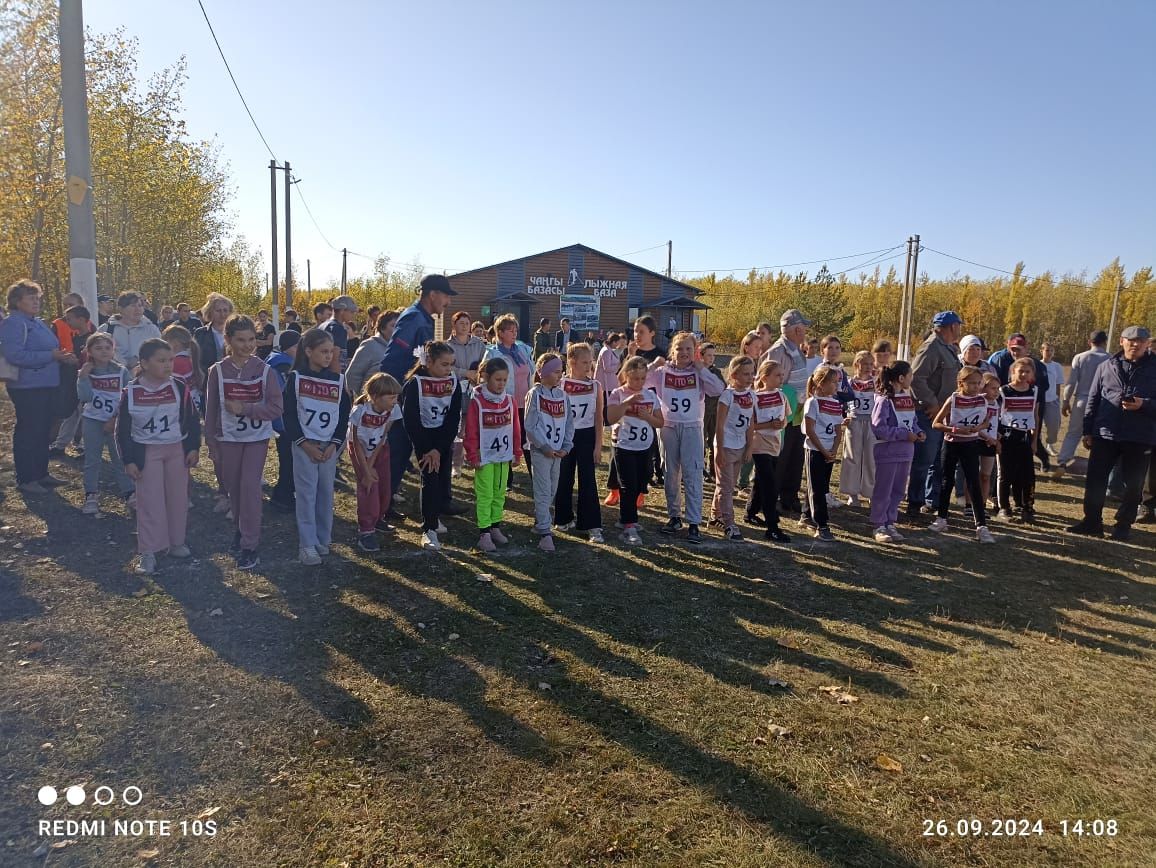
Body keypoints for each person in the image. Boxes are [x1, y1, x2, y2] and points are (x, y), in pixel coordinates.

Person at [204, 315, 284, 570]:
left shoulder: (265, 371)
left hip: (256, 438)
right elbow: (211, 409)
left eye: (251, 339)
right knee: (234, 488)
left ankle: (251, 544)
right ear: (228, 340)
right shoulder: (217, 371)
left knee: (250, 487)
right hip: (227, 439)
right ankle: (240, 530)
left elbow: (275, 408)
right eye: (241, 340)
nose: (248, 345)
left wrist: (246, 409)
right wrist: (211, 442)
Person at [115, 338, 201, 574]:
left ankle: (176, 542)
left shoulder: (179, 386)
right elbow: (122, 430)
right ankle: (149, 551)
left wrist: (193, 446)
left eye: (171, 360)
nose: (168, 365)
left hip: (176, 450)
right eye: (161, 361)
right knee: (150, 501)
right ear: (144, 363)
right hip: (146, 452)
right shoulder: (131, 391)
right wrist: (129, 460)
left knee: (178, 498)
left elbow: (192, 419)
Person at [379, 274, 460, 516]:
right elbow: (394, 359)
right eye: (446, 295)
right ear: (433, 294)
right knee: (400, 451)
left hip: (423, 396)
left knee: (436, 446)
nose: (447, 302)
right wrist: (399, 394)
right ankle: (383, 507)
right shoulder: (414, 318)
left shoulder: (423, 318)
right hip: (409, 396)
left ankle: (440, 501)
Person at [1067, 325, 1156, 541]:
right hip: (1105, 433)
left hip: (1139, 436)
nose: (1135, 344)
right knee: (1096, 480)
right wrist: (1088, 430)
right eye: (1131, 340)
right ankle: (1092, 522)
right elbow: (1094, 399)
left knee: (1133, 484)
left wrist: (1143, 404)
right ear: (1121, 341)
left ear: (1147, 344)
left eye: (1140, 341)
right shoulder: (1107, 365)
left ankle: (1123, 525)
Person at [282, 328, 352, 565]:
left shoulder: (338, 381)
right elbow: (289, 414)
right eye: (323, 351)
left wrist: (334, 443)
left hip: (329, 447)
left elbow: (344, 416)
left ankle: (323, 538)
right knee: (306, 495)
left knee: (325, 494)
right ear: (308, 351)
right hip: (305, 446)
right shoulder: (296, 378)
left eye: (331, 352)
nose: (328, 356)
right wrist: (305, 444)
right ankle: (307, 544)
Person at [0, 279, 74, 494]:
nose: (36, 301)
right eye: (31, 298)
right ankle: (26, 478)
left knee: (42, 430)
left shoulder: (37, 322)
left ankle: (41, 473)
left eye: (37, 297)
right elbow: (15, 355)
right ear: (16, 301)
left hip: (46, 384)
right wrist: (50, 355)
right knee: (28, 431)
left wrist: (60, 358)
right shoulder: (14, 323)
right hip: (26, 386)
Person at [650, 331, 723, 545]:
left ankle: (693, 522)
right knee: (670, 473)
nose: (683, 353)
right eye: (679, 348)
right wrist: (654, 365)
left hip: (692, 428)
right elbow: (639, 381)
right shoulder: (663, 372)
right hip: (668, 427)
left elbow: (718, 389)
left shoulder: (699, 372)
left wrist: (702, 369)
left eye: (688, 349)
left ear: (695, 352)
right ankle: (674, 517)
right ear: (673, 350)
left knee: (692, 473)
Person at [402, 341, 462, 551]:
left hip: (442, 437)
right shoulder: (415, 383)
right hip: (424, 438)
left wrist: (440, 447)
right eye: (444, 365)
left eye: (451, 364)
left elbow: (454, 416)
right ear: (428, 363)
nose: (448, 369)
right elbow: (410, 419)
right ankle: (429, 529)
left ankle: (436, 516)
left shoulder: (453, 381)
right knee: (430, 478)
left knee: (443, 476)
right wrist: (428, 449)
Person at [929, 366, 996, 543]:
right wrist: (953, 429)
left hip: (971, 444)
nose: (976, 387)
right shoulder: (953, 399)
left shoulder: (982, 401)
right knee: (946, 481)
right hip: (951, 444)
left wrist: (979, 429)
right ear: (961, 383)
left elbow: (985, 422)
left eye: (978, 383)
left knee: (974, 482)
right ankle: (942, 518)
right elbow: (936, 424)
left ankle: (981, 526)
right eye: (972, 383)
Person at [907, 311, 964, 516]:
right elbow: (916, 378)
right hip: (928, 413)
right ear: (950, 327)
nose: (959, 329)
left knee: (937, 461)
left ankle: (932, 501)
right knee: (924, 460)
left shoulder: (947, 348)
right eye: (958, 325)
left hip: (943, 412)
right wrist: (931, 403)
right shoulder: (931, 347)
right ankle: (914, 502)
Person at [464, 357, 523, 552]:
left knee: (499, 492)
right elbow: (471, 431)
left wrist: (517, 452)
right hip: (485, 457)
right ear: (487, 378)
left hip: (503, 456)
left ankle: (495, 525)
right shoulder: (477, 402)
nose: (501, 384)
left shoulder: (509, 401)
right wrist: (473, 455)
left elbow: (515, 428)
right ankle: (484, 532)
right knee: (485, 493)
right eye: (498, 379)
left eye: (504, 380)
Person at [607, 355, 664, 545]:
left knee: (641, 482)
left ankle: (627, 518)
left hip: (644, 446)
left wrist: (647, 417)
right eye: (634, 378)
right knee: (627, 485)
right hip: (624, 446)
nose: (638, 382)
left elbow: (660, 421)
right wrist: (626, 403)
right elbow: (610, 417)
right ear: (626, 375)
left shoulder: (650, 395)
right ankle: (629, 524)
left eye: (642, 378)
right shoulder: (618, 393)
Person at [77, 332, 134, 515]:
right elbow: (84, 397)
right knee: (92, 459)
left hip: (115, 421)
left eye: (107, 348)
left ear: (113, 349)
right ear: (90, 351)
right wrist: (83, 378)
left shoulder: (121, 371)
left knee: (119, 458)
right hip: (92, 419)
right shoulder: (86, 372)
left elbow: (128, 398)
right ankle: (91, 494)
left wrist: (115, 419)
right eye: (98, 348)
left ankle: (129, 492)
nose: (104, 351)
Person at [555, 343, 604, 543]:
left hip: (586, 435)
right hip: (566, 436)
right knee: (564, 477)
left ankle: (591, 525)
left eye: (590, 362)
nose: (588, 366)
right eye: (584, 362)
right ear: (572, 362)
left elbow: (599, 418)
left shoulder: (595, 386)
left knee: (588, 481)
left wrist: (598, 446)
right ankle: (563, 517)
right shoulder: (561, 384)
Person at [524, 352, 574, 552]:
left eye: (561, 371)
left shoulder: (563, 395)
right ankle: (545, 530)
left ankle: (540, 521)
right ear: (542, 372)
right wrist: (544, 446)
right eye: (555, 371)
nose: (559, 375)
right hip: (541, 451)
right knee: (543, 489)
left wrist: (566, 446)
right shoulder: (535, 394)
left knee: (553, 488)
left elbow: (569, 422)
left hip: (558, 452)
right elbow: (530, 424)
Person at [869, 361, 924, 542]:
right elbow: (878, 428)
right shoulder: (884, 400)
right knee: (883, 490)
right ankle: (878, 524)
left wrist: (918, 432)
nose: (912, 379)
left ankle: (890, 521)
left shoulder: (906, 397)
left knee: (899, 490)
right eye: (910, 375)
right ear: (901, 378)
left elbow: (912, 421)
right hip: (888, 452)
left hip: (906, 452)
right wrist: (903, 435)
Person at [348, 372, 402, 552]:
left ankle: (379, 518)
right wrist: (366, 469)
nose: (395, 400)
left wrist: (372, 464)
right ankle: (366, 530)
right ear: (376, 397)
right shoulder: (360, 410)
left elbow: (383, 436)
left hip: (379, 450)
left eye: (396, 397)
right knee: (368, 485)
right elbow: (355, 441)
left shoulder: (393, 410)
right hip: (360, 450)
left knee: (385, 486)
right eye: (391, 397)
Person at [765, 308, 812, 514]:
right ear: (795, 329)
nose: (804, 332)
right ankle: (772, 497)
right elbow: (768, 383)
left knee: (795, 457)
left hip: (798, 413)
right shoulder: (777, 351)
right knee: (780, 457)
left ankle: (789, 496)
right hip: (782, 412)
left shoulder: (796, 349)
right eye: (802, 327)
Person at [482, 315, 534, 483]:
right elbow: (483, 377)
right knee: (507, 438)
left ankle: (536, 475)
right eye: (510, 330)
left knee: (528, 439)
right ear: (500, 333)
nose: (514, 333)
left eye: (515, 330)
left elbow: (532, 373)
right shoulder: (492, 353)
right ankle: (507, 479)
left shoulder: (522, 350)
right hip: (504, 404)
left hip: (525, 403)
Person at [988, 333, 1052, 471]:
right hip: (1007, 406)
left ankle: (1041, 458)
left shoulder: (1038, 366)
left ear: (1026, 347)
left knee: (1031, 435)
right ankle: (1002, 470)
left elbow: (1044, 387)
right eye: (1013, 349)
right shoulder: (1000, 359)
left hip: (1032, 405)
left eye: (1019, 349)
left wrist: (1028, 393)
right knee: (1004, 435)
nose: (1015, 352)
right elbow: (994, 382)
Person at [711, 355, 755, 541]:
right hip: (726, 445)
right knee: (726, 486)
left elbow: (751, 422)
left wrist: (749, 446)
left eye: (752, 373)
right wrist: (720, 450)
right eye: (745, 374)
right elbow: (720, 425)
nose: (750, 377)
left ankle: (715, 515)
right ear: (734, 375)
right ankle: (729, 523)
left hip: (740, 445)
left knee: (727, 484)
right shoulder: (727, 396)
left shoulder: (751, 394)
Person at [800, 365, 846, 541]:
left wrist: (834, 450)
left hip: (829, 451)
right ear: (821, 383)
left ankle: (805, 515)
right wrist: (823, 451)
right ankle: (822, 524)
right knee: (817, 488)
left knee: (820, 486)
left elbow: (838, 429)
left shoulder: (834, 403)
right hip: (815, 450)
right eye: (833, 382)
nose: (836, 386)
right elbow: (810, 430)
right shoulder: (812, 402)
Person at [748, 358, 791, 542]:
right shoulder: (755, 398)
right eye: (777, 375)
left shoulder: (782, 395)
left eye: (782, 375)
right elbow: (752, 425)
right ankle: (772, 526)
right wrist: (769, 424)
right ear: (765, 377)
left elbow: (786, 417)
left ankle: (750, 512)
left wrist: (782, 423)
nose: (781, 378)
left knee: (761, 481)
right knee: (770, 485)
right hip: (759, 445)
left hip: (775, 444)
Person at [995, 357, 1041, 522]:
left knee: (1027, 474)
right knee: (1006, 474)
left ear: (1032, 374)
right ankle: (1004, 507)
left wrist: (1035, 440)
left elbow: (1035, 416)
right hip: (1006, 438)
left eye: (1027, 372)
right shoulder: (1003, 391)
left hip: (1024, 438)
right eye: (1020, 371)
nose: (1023, 374)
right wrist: (997, 439)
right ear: (1012, 372)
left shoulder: (1034, 391)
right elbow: (997, 416)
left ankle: (1026, 506)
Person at [1057, 330, 1110, 471]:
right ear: (1105, 342)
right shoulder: (1110, 359)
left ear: (1089, 342)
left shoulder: (1080, 357)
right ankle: (1096, 464)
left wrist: (1066, 401)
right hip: (1101, 402)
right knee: (1099, 435)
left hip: (1081, 399)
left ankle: (1062, 461)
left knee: (1073, 433)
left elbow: (1071, 383)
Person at [49, 302, 94, 456]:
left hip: (88, 382)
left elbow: (95, 360)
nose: (67, 322)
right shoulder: (75, 338)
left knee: (86, 415)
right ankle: (61, 444)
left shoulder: (92, 339)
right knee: (72, 412)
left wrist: (79, 362)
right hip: (74, 380)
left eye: (70, 319)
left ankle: (89, 447)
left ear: (81, 319)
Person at [447, 310, 486, 475]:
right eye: (461, 323)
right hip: (455, 389)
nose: (464, 326)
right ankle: (456, 464)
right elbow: (447, 367)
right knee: (457, 426)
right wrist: (465, 373)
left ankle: (474, 457)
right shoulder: (447, 346)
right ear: (454, 325)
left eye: (467, 323)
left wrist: (477, 376)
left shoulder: (479, 344)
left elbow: (486, 363)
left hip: (475, 390)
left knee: (474, 424)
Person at [265, 330, 300, 512]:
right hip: (284, 421)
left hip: (280, 420)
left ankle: (285, 493)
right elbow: (285, 395)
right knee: (289, 461)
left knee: (288, 460)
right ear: (289, 348)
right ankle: (282, 496)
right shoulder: (283, 366)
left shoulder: (275, 360)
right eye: (297, 347)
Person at [839, 350, 877, 507]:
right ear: (856, 364)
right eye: (864, 364)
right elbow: (840, 402)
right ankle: (852, 493)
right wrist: (843, 417)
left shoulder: (876, 382)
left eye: (870, 364)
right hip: (854, 421)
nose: (868, 367)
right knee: (852, 457)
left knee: (871, 458)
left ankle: (870, 492)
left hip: (872, 422)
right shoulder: (848, 382)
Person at [99, 291, 162, 371]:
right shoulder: (106, 329)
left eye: (140, 305)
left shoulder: (151, 330)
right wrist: (120, 362)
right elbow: (95, 353)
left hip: (144, 377)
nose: (137, 309)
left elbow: (160, 353)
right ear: (121, 309)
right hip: (113, 377)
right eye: (132, 306)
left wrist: (139, 361)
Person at [346, 309, 399, 398]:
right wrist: (362, 398)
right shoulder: (370, 345)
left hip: (391, 405)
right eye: (393, 325)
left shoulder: (399, 349)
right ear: (382, 328)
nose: (397, 329)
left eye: (399, 326)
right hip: (370, 404)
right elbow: (352, 375)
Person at [162, 324, 203, 415]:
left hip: (183, 410)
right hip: (193, 406)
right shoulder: (188, 358)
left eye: (165, 343)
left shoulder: (177, 363)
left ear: (175, 343)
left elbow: (170, 390)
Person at [193, 293, 234, 378]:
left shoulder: (237, 333)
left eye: (225, 310)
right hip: (207, 380)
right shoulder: (200, 334)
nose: (222, 314)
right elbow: (194, 360)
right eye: (218, 311)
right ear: (210, 312)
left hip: (232, 382)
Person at [319, 295, 360, 372]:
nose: (353, 315)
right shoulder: (338, 329)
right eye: (351, 312)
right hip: (331, 377)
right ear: (342, 310)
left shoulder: (324, 324)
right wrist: (338, 381)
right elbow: (334, 359)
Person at [1039, 342, 1064, 462]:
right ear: (1042, 351)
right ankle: (1037, 447)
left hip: (1052, 400)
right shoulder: (1037, 365)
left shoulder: (1057, 366)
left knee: (1054, 425)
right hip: (1039, 400)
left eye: (1051, 351)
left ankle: (1050, 445)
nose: (1049, 353)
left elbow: (1058, 384)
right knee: (1036, 426)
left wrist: (1058, 399)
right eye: (1047, 350)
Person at [701, 343, 723, 476]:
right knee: (700, 441)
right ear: (701, 355)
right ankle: (701, 468)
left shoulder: (716, 372)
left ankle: (713, 470)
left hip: (715, 410)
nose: (711, 358)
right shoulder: (697, 371)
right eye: (709, 355)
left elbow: (723, 387)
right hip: (702, 411)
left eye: (713, 355)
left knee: (714, 440)